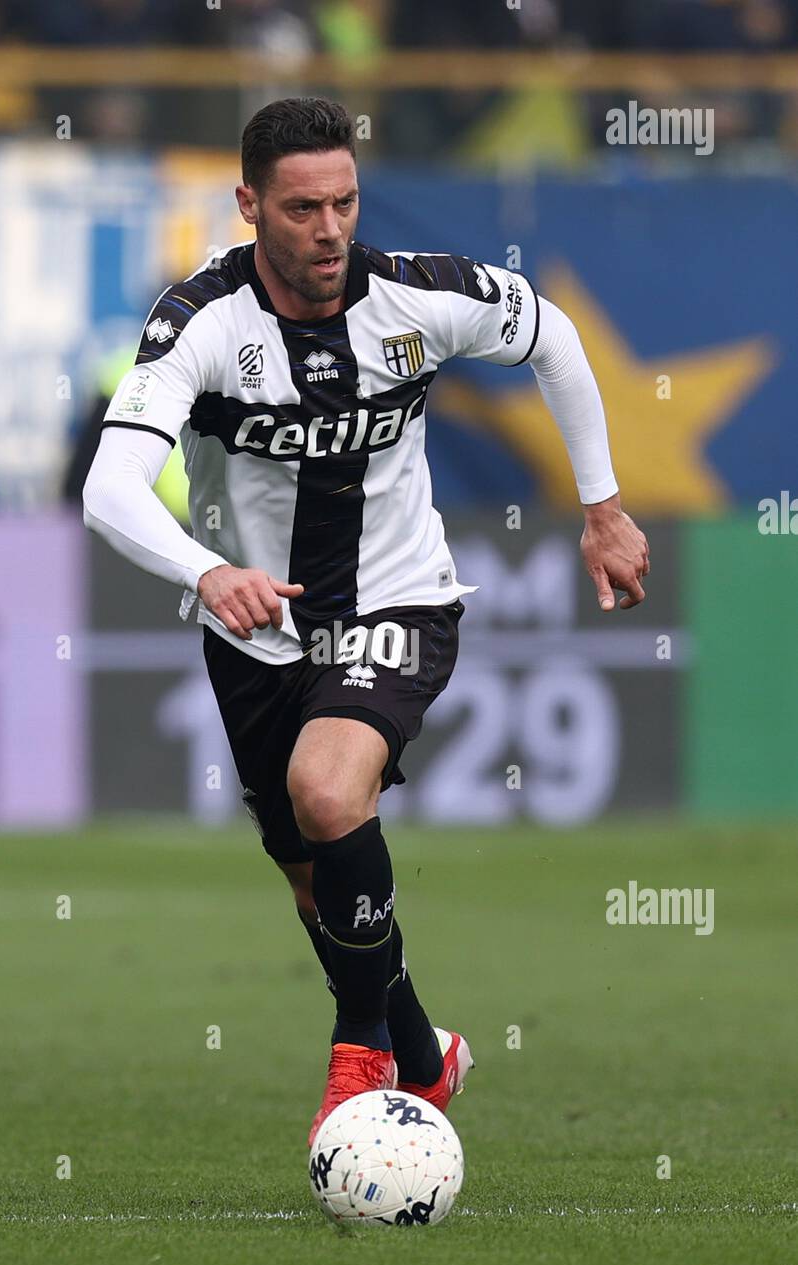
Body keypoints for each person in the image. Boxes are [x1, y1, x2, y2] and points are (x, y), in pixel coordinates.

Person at [82, 96, 649, 1147]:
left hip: (396, 597)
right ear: (249, 204)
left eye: (343, 202)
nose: (330, 228)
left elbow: (553, 336)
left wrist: (601, 506)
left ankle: (358, 1064)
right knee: (313, 876)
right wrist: (206, 572)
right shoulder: (200, 323)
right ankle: (424, 1055)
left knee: (324, 788)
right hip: (252, 629)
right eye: (302, 208)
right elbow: (110, 490)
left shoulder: (414, 296)